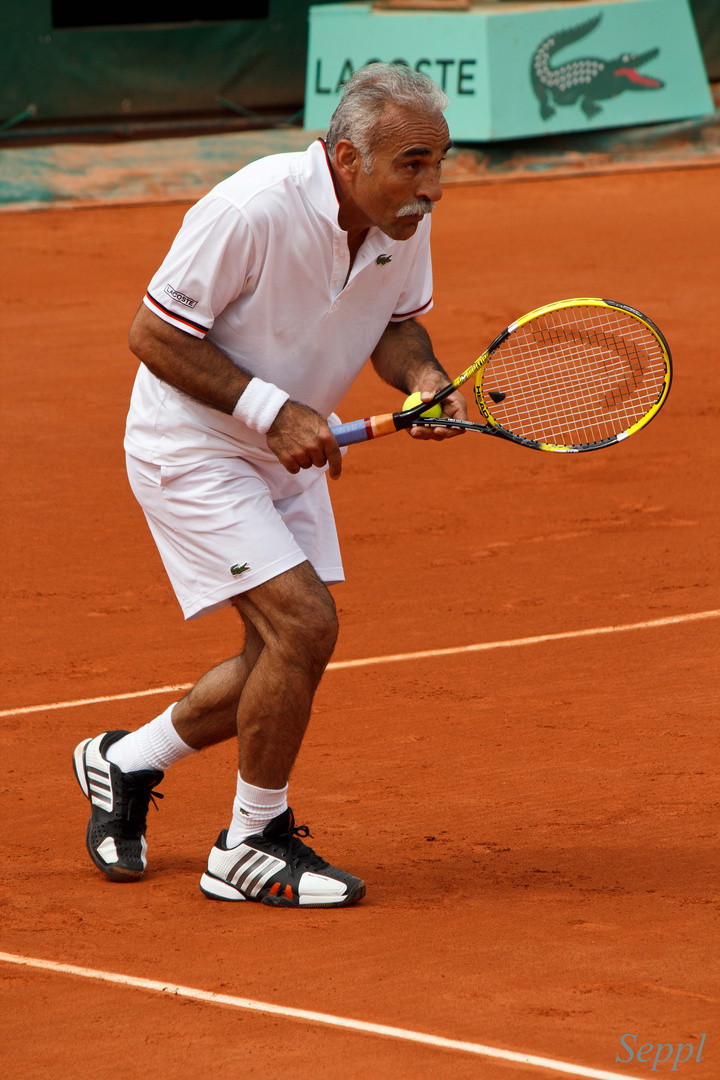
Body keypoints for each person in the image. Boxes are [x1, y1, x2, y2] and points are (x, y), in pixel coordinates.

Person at [73, 63, 467, 909]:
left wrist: (424, 377)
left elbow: (396, 327)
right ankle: (249, 842)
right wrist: (275, 411)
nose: (430, 186)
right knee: (304, 623)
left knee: (285, 651)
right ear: (346, 155)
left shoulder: (401, 217)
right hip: (194, 447)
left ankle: (125, 762)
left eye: (439, 162)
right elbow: (153, 334)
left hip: (284, 448)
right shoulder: (250, 208)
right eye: (412, 164)